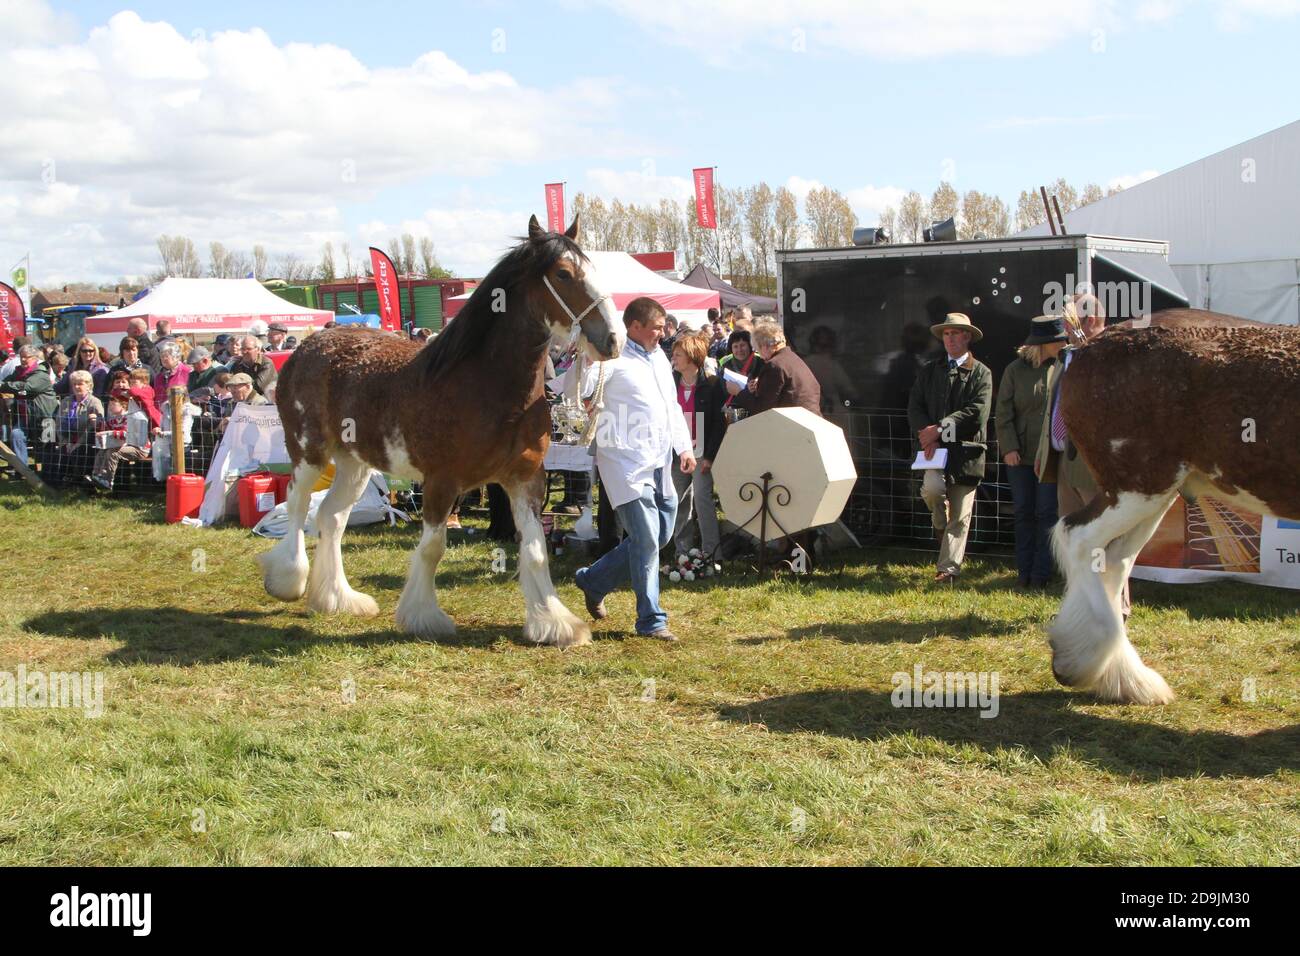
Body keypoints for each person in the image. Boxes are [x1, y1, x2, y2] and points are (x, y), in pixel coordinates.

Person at [575, 296, 695, 642]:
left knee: (659, 537)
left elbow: (671, 407)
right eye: (657, 327)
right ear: (635, 326)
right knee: (645, 539)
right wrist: (586, 360)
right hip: (625, 461)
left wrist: (684, 447)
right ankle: (651, 620)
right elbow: (583, 389)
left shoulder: (658, 357)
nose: (663, 333)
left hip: (659, 460)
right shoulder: (611, 355)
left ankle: (593, 580)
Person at [1034, 295, 1132, 617]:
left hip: (1094, 461)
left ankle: (1115, 603)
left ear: (1088, 321)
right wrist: (1044, 451)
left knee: (1106, 533)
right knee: (1074, 534)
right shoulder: (1069, 356)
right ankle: (1083, 602)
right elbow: (1055, 407)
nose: (1063, 328)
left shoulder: (1111, 353)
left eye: (1067, 321)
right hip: (1065, 459)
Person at [907, 312, 993, 585]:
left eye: (956, 333)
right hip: (934, 451)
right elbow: (915, 406)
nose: (951, 338)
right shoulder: (930, 370)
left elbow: (976, 413)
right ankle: (937, 522)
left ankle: (948, 569)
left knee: (961, 513)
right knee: (932, 491)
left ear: (967, 337)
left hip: (967, 452)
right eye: (947, 333)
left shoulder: (981, 372)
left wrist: (940, 429)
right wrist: (927, 434)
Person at [997, 315, 1067, 588]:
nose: (1064, 343)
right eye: (1058, 339)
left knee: (1047, 513)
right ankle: (1023, 572)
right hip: (1020, 456)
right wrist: (1009, 448)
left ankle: (1041, 574)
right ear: (1044, 343)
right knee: (1023, 511)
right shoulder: (1015, 370)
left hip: (1050, 457)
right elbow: (1003, 412)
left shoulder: (1063, 367)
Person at [670, 330, 727, 560]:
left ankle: (712, 553)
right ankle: (681, 552)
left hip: (702, 450)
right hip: (677, 451)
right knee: (678, 501)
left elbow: (718, 424)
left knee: (703, 501)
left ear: (692, 357)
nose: (673, 359)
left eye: (678, 355)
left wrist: (710, 457)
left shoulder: (712, 384)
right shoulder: (670, 382)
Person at [724, 320, 821, 417]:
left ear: (764, 346)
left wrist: (738, 392)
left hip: (793, 425)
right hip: (810, 420)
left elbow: (761, 409)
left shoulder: (774, 366)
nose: (761, 356)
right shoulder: (792, 358)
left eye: (758, 349)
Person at [1, 344, 59, 465]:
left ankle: (48, 473)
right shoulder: (18, 372)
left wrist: (13, 387)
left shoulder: (41, 374)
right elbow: (5, 383)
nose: (23, 359)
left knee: (47, 445)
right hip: (26, 417)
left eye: (26, 357)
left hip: (46, 417)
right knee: (16, 434)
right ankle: (22, 469)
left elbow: (27, 387)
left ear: (35, 358)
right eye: (21, 356)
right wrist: (12, 387)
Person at [88, 392, 152, 492]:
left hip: (138, 448)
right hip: (123, 447)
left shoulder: (129, 418)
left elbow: (127, 434)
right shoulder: (114, 419)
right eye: (109, 404)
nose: (110, 407)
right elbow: (105, 428)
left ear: (123, 406)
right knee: (101, 452)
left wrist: (111, 432)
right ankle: (96, 475)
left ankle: (108, 480)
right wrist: (95, 422)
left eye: (113, 404)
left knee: (113, 453)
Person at [50, 370, 104, 483]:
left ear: (89, 385)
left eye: (80, 384)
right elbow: (59, 423)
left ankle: (80, 481)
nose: (76, 386)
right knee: (55, 453)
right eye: (74, 384)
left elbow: (93, 428)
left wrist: (77, 444)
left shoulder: (94, 403)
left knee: (78, 453)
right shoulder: (66, 401)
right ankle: (60, 482)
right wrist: (65, 442)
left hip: (86, 441)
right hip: (66, 440)